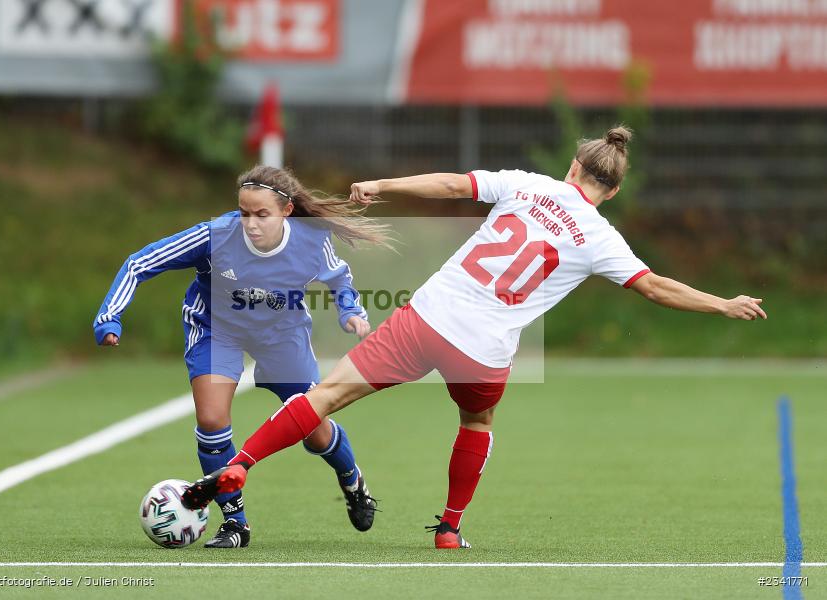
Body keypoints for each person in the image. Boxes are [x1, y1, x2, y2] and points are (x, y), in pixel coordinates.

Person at [181, 127, 767, 549]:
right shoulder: (600, 236)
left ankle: (242, 463)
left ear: (572, 168)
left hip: (427, 319)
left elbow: (447, 185)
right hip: (483, 352)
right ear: (610, 190)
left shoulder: (526, 185)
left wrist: (382, 184)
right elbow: (655, 287)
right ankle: (449, 527)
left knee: (324, 397)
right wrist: (724, 303)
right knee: (476, 424)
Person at [94, 165, 389, 548]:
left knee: (315, 432)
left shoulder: (312, 240)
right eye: (245, 212)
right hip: (218, 329)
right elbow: (141, 262)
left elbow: (338, 278)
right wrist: (109, 316)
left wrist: (350, 311)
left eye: (261, 214)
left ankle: (353, 482)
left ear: (286, 210)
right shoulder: (216, 235)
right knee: (212, 418)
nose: (250, 223)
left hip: (281, 332)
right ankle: (236, 523)